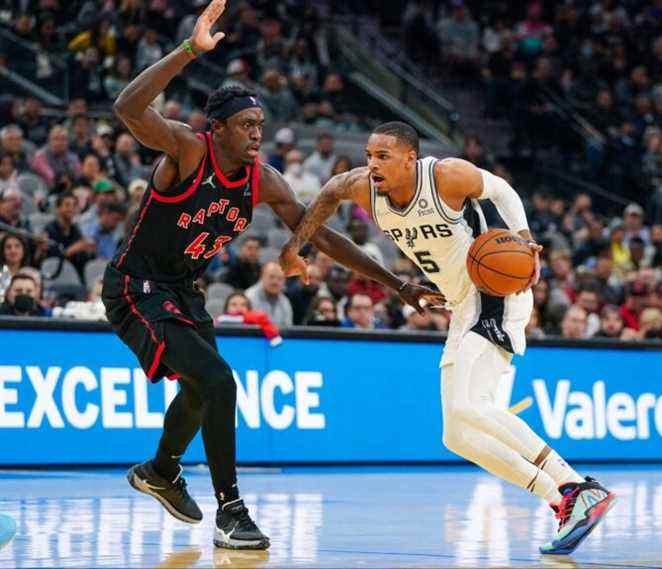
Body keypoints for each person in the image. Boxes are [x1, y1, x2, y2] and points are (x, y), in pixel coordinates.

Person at [104, 0, 435, 552]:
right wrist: (188, 50)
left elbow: (322, 235)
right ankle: (231, 511)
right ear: (220, 129)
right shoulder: (187, 148)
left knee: (201, 389)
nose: (258, 134)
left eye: (261, 125)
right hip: (136, 286)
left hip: (184, 292)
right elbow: (128, 107)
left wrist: (397, 284)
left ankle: (161, 471)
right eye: (246, 125)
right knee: (218, 381)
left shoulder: (264, 180)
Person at [280, 121, 616, 555]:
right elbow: (326, 195)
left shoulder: (444, 176)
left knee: (469, 406)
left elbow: (502, 191)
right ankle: (561, 501)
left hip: (494, 293)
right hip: (463, 306)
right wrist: (295, 247)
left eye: (383, 156)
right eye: (368, 155)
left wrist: (527, 240)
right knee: (456, 434)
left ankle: (575, 485)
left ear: (409, 159)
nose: (372, 164)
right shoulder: (363, 188)